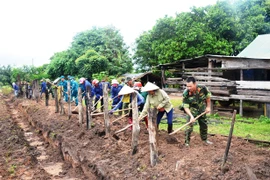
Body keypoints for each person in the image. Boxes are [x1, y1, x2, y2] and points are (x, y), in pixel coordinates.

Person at [181, 76, 212, 146]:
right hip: (192, 110)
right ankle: (187, 143)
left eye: (190, 86)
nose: (188, 88)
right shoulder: (186, 93)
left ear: (195, 84)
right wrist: (191, 116)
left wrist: (208, 107)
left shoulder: (203, 88)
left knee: (204, 124)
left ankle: (204, 140)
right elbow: (186, 107)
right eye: (187, 86)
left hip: (202, 109)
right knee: (189, 126)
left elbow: (208, 97)